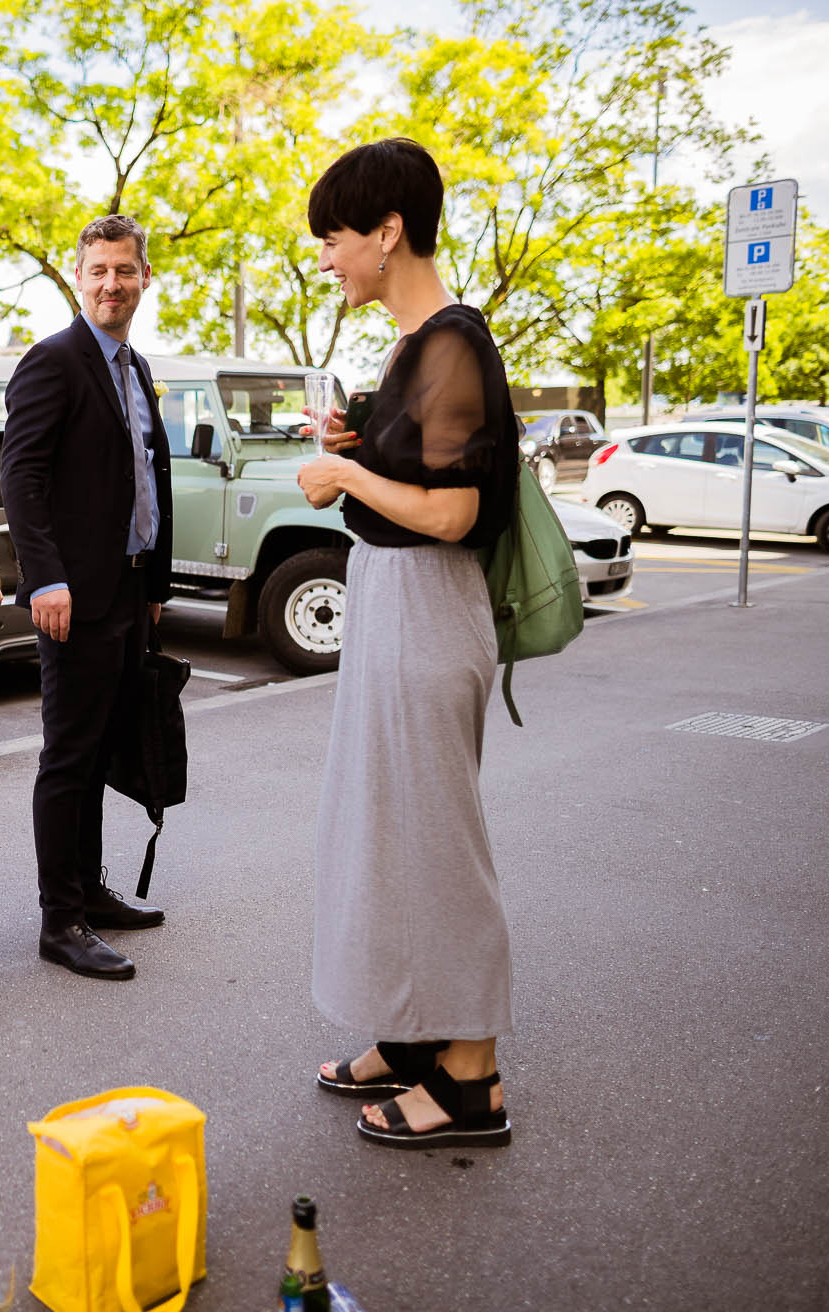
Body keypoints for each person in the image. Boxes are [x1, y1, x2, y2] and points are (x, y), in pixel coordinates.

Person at [295, 139, 520, 1149]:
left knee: (435, 841)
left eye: (334, 239)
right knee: (389, 830)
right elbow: (418, 471)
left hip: (428, 609)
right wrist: (358, 444)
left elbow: (454, 511)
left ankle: (469, 1077)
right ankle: (415, 1034)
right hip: (395, 604)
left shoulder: (447, 341)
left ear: (386, 233)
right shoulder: (410, 346)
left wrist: (342, 479)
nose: (329, 259)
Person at [0, 214, 174, 982]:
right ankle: (58, 918)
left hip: (129, 592)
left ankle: (91, 893)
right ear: (79, 277)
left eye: (125, 270)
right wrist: (46, 576)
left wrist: (156, 585)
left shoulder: (134, 367)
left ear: (143, 279)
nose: (112, 283)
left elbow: (147, 476)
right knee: (69, 756)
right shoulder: (54, 361)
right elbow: (20, 478)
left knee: (104, 750)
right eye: (98, 270)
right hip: (72, 596)